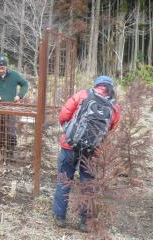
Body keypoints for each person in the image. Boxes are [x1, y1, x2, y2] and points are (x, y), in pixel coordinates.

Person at [52, 76, 121, 232]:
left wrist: (70, 132)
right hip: (93, 151)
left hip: (70, 146)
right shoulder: (115, 106)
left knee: (64, 179)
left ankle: (59, 217)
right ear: (110, 88)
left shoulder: (82, 94)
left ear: (96, 85)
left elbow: (63, 115)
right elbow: (111, 128)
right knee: (88, 184)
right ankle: (85, 222)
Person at [0, 53, 29, 159]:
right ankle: (1, 153)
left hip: (10, 108)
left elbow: (25, 84)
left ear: (6, 67)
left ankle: (11, 152)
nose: (0, 70)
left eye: (2, 68)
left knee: (11, 132)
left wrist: (19, 95)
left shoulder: (14, 75)